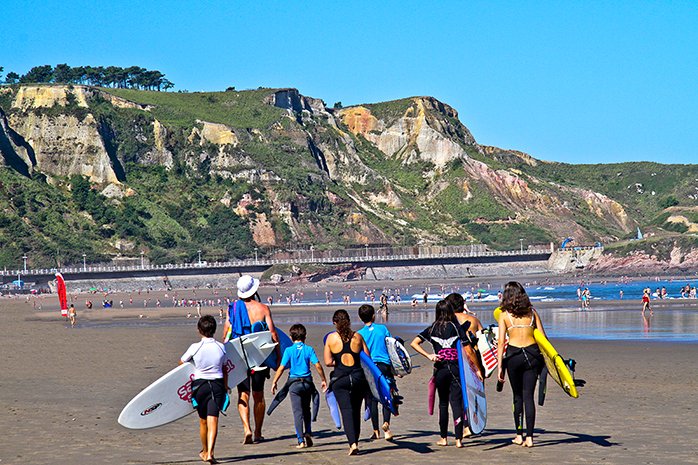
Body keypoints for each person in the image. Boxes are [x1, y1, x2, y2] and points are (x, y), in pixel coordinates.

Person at [221, 275, 279, 444]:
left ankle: (247, 428)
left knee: (243, 393)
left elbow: (226, 333)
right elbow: (273, 334)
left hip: (239, 356)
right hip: (258, 357)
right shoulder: (263, 308)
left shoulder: (232, 308)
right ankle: (258, 432)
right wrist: (278, 354)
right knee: (258, 395)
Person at [411, 300, 466, 447]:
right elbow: (467, 347)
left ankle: (443, 438)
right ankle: (459, 439)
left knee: (443, 404)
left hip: (440, 369)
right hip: (455, 368)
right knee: (456, 403)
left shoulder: (432, 328)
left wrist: (429, 355)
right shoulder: (456, 327)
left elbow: (414, 343)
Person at [496, 282, 545, 448]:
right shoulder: (532, 312)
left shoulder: (504, 315)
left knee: (517, 396)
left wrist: (499, 367)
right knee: (528, 396)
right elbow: (543, 339)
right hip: (533, 355)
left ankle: (519, 435)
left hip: (514, 356)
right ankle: (530, 438)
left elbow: (501, 342)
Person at [180, 315, 229, 464]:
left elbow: (181, 363)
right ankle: (210, 453)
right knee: (213, 420)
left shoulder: (195, 347)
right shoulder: (221, 347)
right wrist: (226, 387)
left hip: (200, 386)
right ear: (214, 330)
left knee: (203, 421)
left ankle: (205, 450)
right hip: (217, 385)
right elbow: (225, 368)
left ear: (199, 330)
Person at [270, 324, 327, 448]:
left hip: (294, 384)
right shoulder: (309, 349)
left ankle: (301, 440)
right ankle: (308, 432)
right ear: (305, 336)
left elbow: (281, 367)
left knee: (297, 412)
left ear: (291, 337)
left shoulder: (289, 350)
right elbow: (317, 365)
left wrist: (275, 381)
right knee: (307, 410)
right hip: (307, 383)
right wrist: (323, 379)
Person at [324, 309, 369, 455]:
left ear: (334, 323)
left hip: (340, 379)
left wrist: (338, 362)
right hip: (358, 377)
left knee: (346, 411)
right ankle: (355, 439)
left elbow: (328, 362)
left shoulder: (331, 338)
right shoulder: (358, 337)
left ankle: (353, 444)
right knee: (356, 411)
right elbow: (368, 359)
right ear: (349, 321)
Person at [357, 304, 396, 440]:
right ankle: (386, 425)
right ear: (373, 315)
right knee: (387, 395)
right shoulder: (382, 329)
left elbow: (359, 354)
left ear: (360, 318)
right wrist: (397, 368)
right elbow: (392, 347)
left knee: (372, 399)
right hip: (384, 365)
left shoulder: (359, 334)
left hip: (370, 367)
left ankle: (376, 431)